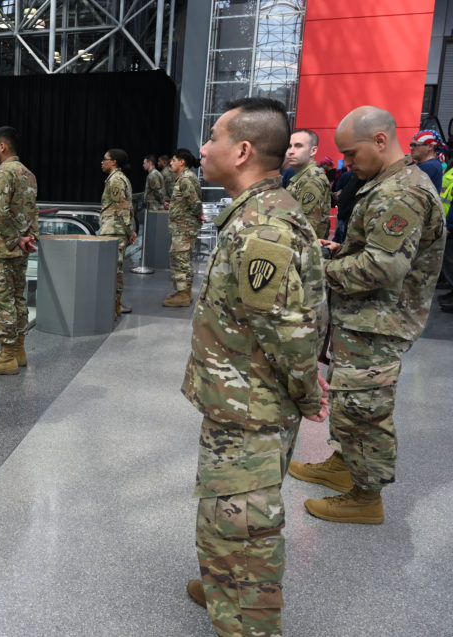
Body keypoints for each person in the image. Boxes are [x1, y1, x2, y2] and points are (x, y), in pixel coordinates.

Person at [182, 97, 328, 637]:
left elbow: (288, 333)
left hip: (252, 408)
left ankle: (247, 619)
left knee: (244, 523)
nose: (202, 148)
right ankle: (225, 584)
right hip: (238, 399)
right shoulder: (253, 214)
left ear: (242, 151)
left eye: (213, 136)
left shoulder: (262, 228)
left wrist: (310, 392)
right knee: (225, 510)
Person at [288, 106, 445, 522]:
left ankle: (366, 496)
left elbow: (383, 268)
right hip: (364, 318)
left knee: (367, 408)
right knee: (350, 398)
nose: (347, 163)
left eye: (351, 154)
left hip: (380, 320)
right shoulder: (387, 182)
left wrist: (320, 268)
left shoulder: (402, 193)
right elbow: (380, 252)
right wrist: (345, 251)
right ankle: (345, 465)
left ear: (380, 140)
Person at [0, 126, 39, 376]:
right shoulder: (28, 174)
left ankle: (6, 356)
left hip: (2, 249)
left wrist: (16, 238)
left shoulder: (2, 174)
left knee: (2, 300)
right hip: (19, 249)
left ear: (2, 146)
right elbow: (33, 211)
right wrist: (27, 237)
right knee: (16, 298)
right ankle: (19, 350)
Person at [98, 148, 137, 317]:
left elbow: (122, 209)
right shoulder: (119, 179)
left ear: (114, 162)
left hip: (114, 231)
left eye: (105, 159)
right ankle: (114, 305)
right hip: (115, 230)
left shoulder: (115, 181)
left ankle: (114, 307)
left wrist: (130, 231)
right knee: (115, 270)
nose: (102, 162)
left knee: (114, 271)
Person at [162, 148, 203, 307]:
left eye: (173, 160)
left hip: (184, 227)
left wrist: (198, 215)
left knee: (181, 260)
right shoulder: (184, 178)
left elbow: (194, 202)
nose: (171, 163)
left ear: (182, 162)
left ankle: (184, 295)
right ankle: (183, 291)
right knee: (181, 259)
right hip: (182, 226)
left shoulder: (186, 179)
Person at [285, 128, 332, 239]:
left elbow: (306, 228)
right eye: (289, 146)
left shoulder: (311, 180)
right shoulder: (302, 177)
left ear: (313, 151)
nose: (291, 151)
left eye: (298, 146)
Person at [408, 129, 445, 193]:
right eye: (411, 145)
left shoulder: (430, 166)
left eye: (415, 145)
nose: (411, 148)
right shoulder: (430, 164)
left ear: (430, 146)